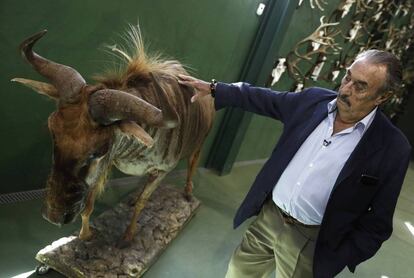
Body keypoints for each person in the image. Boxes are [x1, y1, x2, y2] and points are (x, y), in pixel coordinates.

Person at [178, 49, 412, 278]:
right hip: (269, 218)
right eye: (347, 77)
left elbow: (377, 224)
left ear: (383, 97)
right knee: (237, 273)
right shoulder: (312, 101)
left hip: (311, 242)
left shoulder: (392, 149)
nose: (345, 90)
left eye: (360, 86)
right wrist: (216, 89)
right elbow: (265, 99)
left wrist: (338, 258)